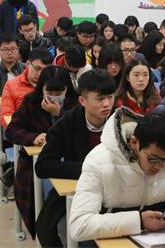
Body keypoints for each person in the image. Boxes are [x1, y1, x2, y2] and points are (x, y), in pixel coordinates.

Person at [68, 109, 165, 242]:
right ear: (134, 142)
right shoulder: (98, 161)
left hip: (154, 241)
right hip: (105, 242)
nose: (160, 166)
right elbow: (79, 225)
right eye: (153, 159)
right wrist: (139, 221)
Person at [35, 69, 116, 247]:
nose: (107, 104)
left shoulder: (120, 120)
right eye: (100, 99)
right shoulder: (67, 122)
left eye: (110, 97)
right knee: (47, 227)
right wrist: (90, 170)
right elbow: (43, 165)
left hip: (115, 189)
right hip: (78, 189)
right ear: (82, 101)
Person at [5, 66, 78, 238]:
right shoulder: (31, 102)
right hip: (37, 163)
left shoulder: (75, 103)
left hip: (70, 160)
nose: (54, 96)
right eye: (49, 92)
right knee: (37, 199)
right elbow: (12, 130)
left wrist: (59, 112)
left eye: (59, 92)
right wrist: (33, 137)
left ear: (67, 89)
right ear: (41, 89)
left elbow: (80, 127)